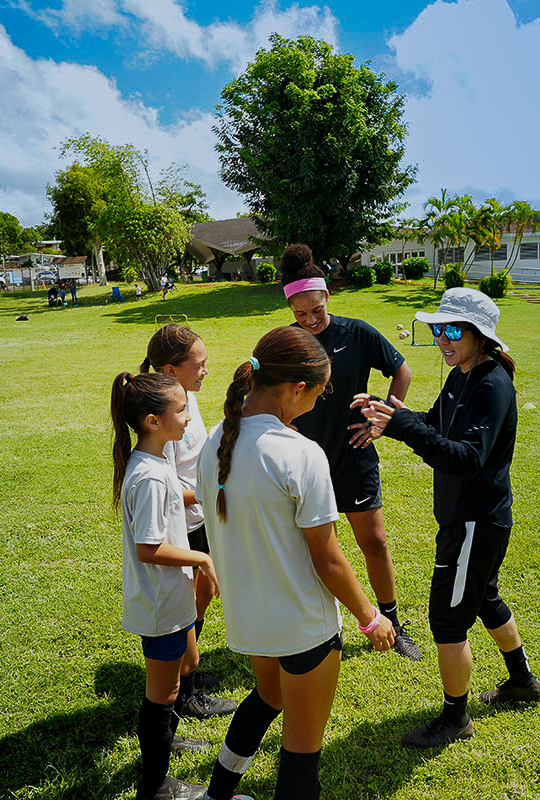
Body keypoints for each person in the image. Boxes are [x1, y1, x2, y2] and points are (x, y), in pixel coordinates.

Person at [195, 326, 395, 800]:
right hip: (304, 628)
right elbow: (328, 562)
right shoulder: (301, 454)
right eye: (320, 393)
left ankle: (217, 793)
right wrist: (373, 619)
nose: (320, 403)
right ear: (295, 389)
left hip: (249, 621)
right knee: (302, 754)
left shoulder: (215, 438)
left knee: (269, 696)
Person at [354, 287, 540, 748]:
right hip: (467, 518)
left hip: (474, 520)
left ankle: (455, 719)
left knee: (447, 620)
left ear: (479, 334)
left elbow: (466, 457)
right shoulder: (462, 374)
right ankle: (522, 682)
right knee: (485, 599)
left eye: (452, 329)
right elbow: (436, 424)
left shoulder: (491, 383)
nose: (442, 338)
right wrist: (392, 415)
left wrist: (404, 428)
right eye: (437, 328)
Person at [279, 244, 420, 660]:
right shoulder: (287, 343)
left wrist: (382, 418)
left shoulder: (356, 333)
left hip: (354, 455)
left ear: (327, 298)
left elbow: (402, 370)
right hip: (305, 463)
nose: (309, 321)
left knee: (374, 542)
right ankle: (327, 630)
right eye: (300, 314)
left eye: (316, 312)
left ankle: (392, 619)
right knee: (322, 551)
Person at [110, 371, 226, 800]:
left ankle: (167, 739)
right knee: (163, 694)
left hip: (171, 598)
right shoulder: (151, 476)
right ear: (153, 421)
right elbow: (148, 548)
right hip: (159, 604)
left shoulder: (155, 462)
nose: (188, 418)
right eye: (180, 410)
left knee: (184, 672)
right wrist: (201, 557)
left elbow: (180, 504)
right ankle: (156, 786)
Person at [141, 323, 235, 706]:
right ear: (170, 371)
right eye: (199, 364)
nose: (206, 371)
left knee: (202, 593)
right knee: (183, 603)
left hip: (199, 516)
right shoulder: (163, 413)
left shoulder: (186, 397)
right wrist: (210, 494)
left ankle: (186, 668)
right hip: (180, 523)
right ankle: (186, 692)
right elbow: (165, 486)